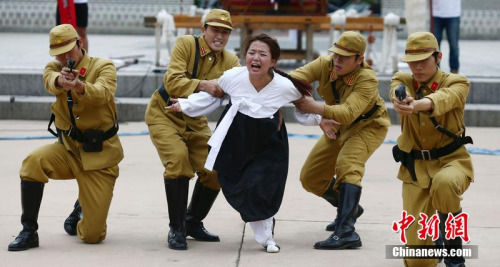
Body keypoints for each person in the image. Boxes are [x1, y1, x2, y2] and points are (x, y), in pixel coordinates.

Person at [168, 33, 322, 253]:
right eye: (251, 53)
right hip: (237, 138)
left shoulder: (285, 86)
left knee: (266, 187)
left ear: (273, 61)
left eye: (262, 54)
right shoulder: (233, 77)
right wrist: (185, 105)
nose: (255, 58)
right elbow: (214, 96)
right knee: (241, 185)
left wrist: (320, 120)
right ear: (244, 56)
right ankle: (255, 223)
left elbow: (304, 105)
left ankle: (267, 237)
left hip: (269, 141)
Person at [7, 24, 122, 251]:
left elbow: (103, 93)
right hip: (68, 150)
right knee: (32, 162)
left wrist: (80, 86)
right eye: (59, 53)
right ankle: (29, 231)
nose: (64, 57)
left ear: (80, 43)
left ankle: (82, 207)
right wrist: (61, 81)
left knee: (92, 236)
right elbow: (50, 80)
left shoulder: (103, 66)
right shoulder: (54, 67)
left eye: (69, 50)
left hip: (100, 156)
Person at [144, 9, 239, 250]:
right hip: (165, 113)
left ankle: (192, 222)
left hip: (195, 120)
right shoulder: (187, 44)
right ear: (203, 29)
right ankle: (176, 229)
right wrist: (204, 85)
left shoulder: (230, 61)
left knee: (215, 169)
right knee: (178, 161)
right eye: (215, 30)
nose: (220, 36)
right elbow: (172, 82)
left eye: (225, 32)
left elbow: (240, 90)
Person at [291, 31, 390, 250]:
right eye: (336, 54)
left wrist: (315, 107)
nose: (337, 60)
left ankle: (346, 231)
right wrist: (319, 117)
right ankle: (351, 208)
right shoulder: (325, 64)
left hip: (367, 126)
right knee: (311, 178)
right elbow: (293, 80)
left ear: (359, 59)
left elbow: (348, 112)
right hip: (335, 125)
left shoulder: (367, 78)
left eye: (345, 57)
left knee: (348, 165)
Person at [390, 32, 473, 267]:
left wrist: (417, 104)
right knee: (418, 261)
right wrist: (403, 99)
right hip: (415, 169)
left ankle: (454, 254)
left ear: (438, 57)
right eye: (411, 61)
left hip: (452, 162)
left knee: (444, 184)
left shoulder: (457, 82)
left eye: (424, 60)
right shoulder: (402, 80)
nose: (416, 67)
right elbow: (397, 88)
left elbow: (443, 98)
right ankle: (436, 240)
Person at [432, 0, 461, 73]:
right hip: (436, 13)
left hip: (453, 14)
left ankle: (454, 70)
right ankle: (435, 70)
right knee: (435, 44)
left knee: (453, 44)